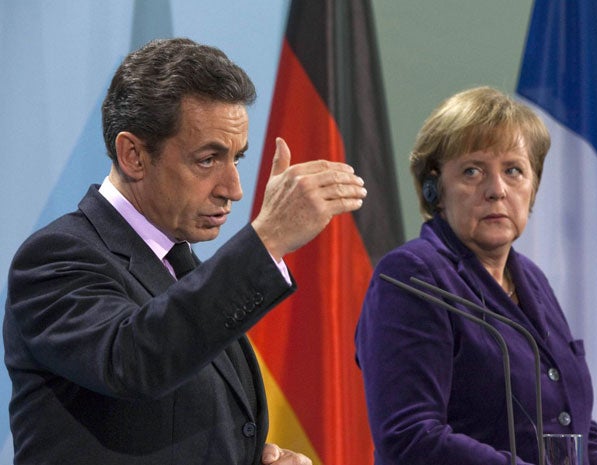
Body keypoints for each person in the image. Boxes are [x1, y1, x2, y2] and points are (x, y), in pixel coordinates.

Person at [3, 38, 367, 465]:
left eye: (237, 158)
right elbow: (134, 360)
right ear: (133, 155)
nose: (234, 189)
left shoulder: (184, 269)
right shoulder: (57, 256)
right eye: (208, 159)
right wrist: (267, 239)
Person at [355, 86, 597, 465]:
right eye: (472, 171)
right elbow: (410, 436)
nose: (497, 190)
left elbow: (574, 424)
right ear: (436, 191)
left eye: (514, 171)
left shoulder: (531, 279)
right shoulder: (412, 277)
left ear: (533, 188)